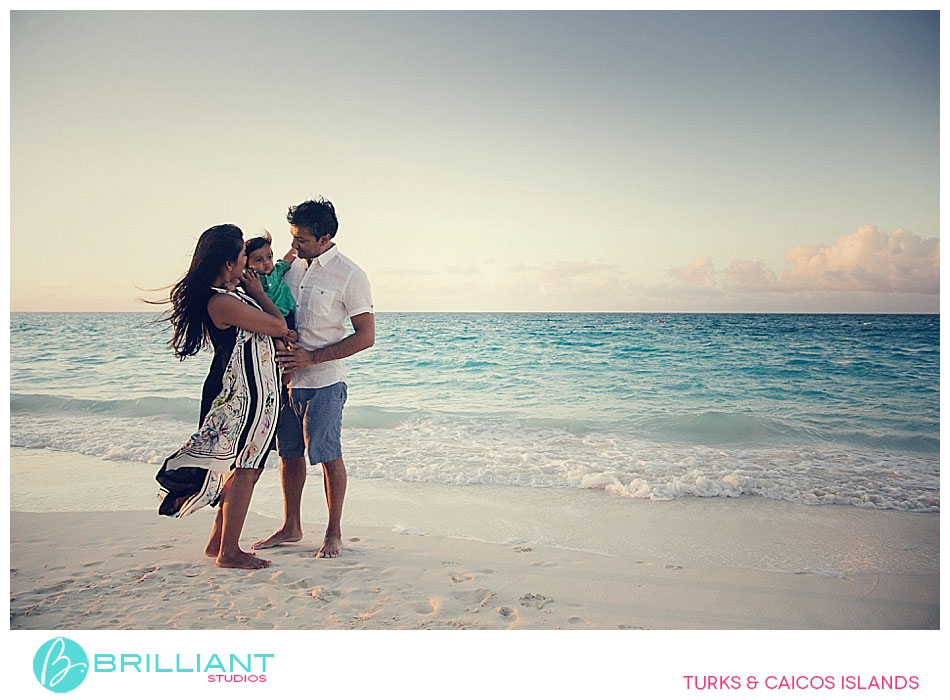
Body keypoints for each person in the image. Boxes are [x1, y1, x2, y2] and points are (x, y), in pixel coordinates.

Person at [155, 224, 292, 570]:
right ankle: (229, 551)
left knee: (243, 467)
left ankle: (219, 542)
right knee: (247, 467)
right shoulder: (222, 302)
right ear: (229, 263)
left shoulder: (226, 295)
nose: (249, 260)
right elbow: (279, 326)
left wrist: (245, 289)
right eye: (244, 255)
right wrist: (259, 293)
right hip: (244, 396)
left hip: (252, 393)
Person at [252, 198, 374, 558]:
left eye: (301, 239)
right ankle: (291, 526)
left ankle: (333, 533)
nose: (294, 245)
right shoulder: (289, 268)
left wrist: (313, 357)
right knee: (289, 455)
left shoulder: (350, 275)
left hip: (325, 382)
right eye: (293, 237)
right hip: (285, 381)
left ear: (325, 238)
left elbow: (366, 336)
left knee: (328, 456)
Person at [244, 231, 297, 331]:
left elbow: (287, 259)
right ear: (247, 263)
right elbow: (237, 279)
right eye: (259, 260)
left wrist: (296, 247)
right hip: (266, 318)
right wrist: (231, 285)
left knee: (290, 334)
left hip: (286, 312)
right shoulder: (251, 277)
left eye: (269, 257)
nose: (266, 262)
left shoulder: (277, 270)